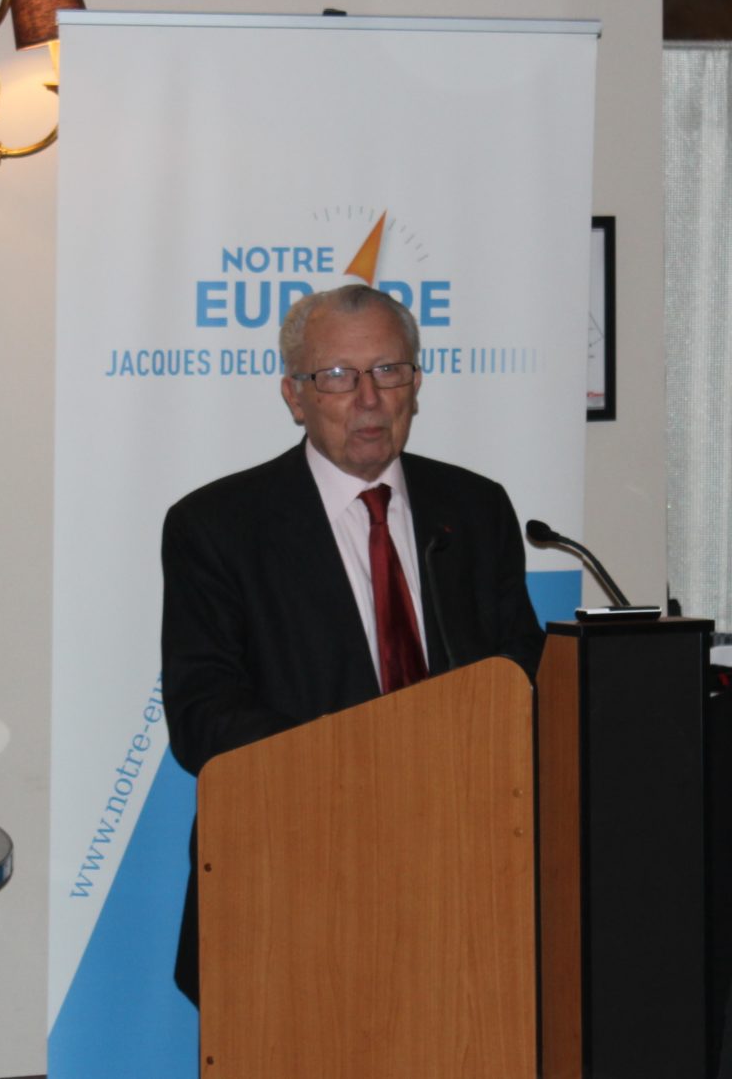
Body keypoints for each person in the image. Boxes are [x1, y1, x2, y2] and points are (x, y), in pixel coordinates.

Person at [161, 283, 544, 1004]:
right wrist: (367, 767)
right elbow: (202, 717)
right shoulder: (217, 527)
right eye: (338, 376)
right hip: (289, 881)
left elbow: (521, 676)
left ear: (416, 384)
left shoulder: (475, 509)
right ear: (295, 396)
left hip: (462, 878)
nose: (369, 398)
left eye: (388, 370)